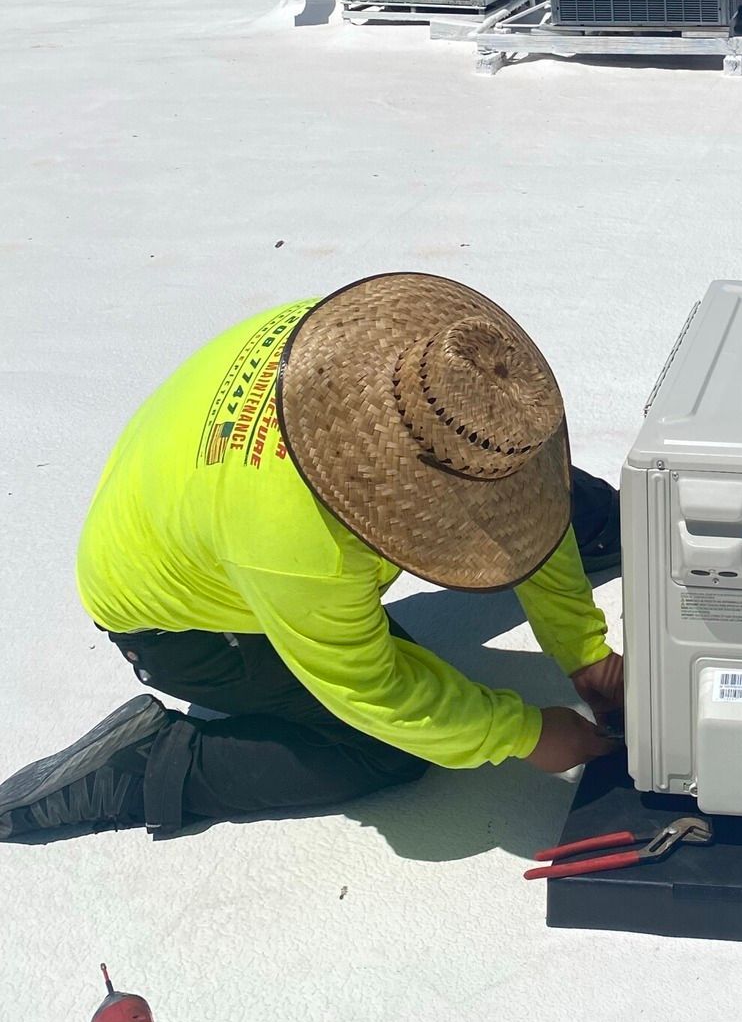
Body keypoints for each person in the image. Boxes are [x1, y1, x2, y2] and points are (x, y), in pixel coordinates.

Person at [1, 274, 621, 841]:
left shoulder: (363, 339)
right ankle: (141, 771)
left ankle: (573, 512)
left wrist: (583, 652)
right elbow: (375, 693)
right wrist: (525, 735)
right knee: (391, 749)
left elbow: (514, 493)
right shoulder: (305, 549)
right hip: (186, 627)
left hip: (178, 508)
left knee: (529, 475)